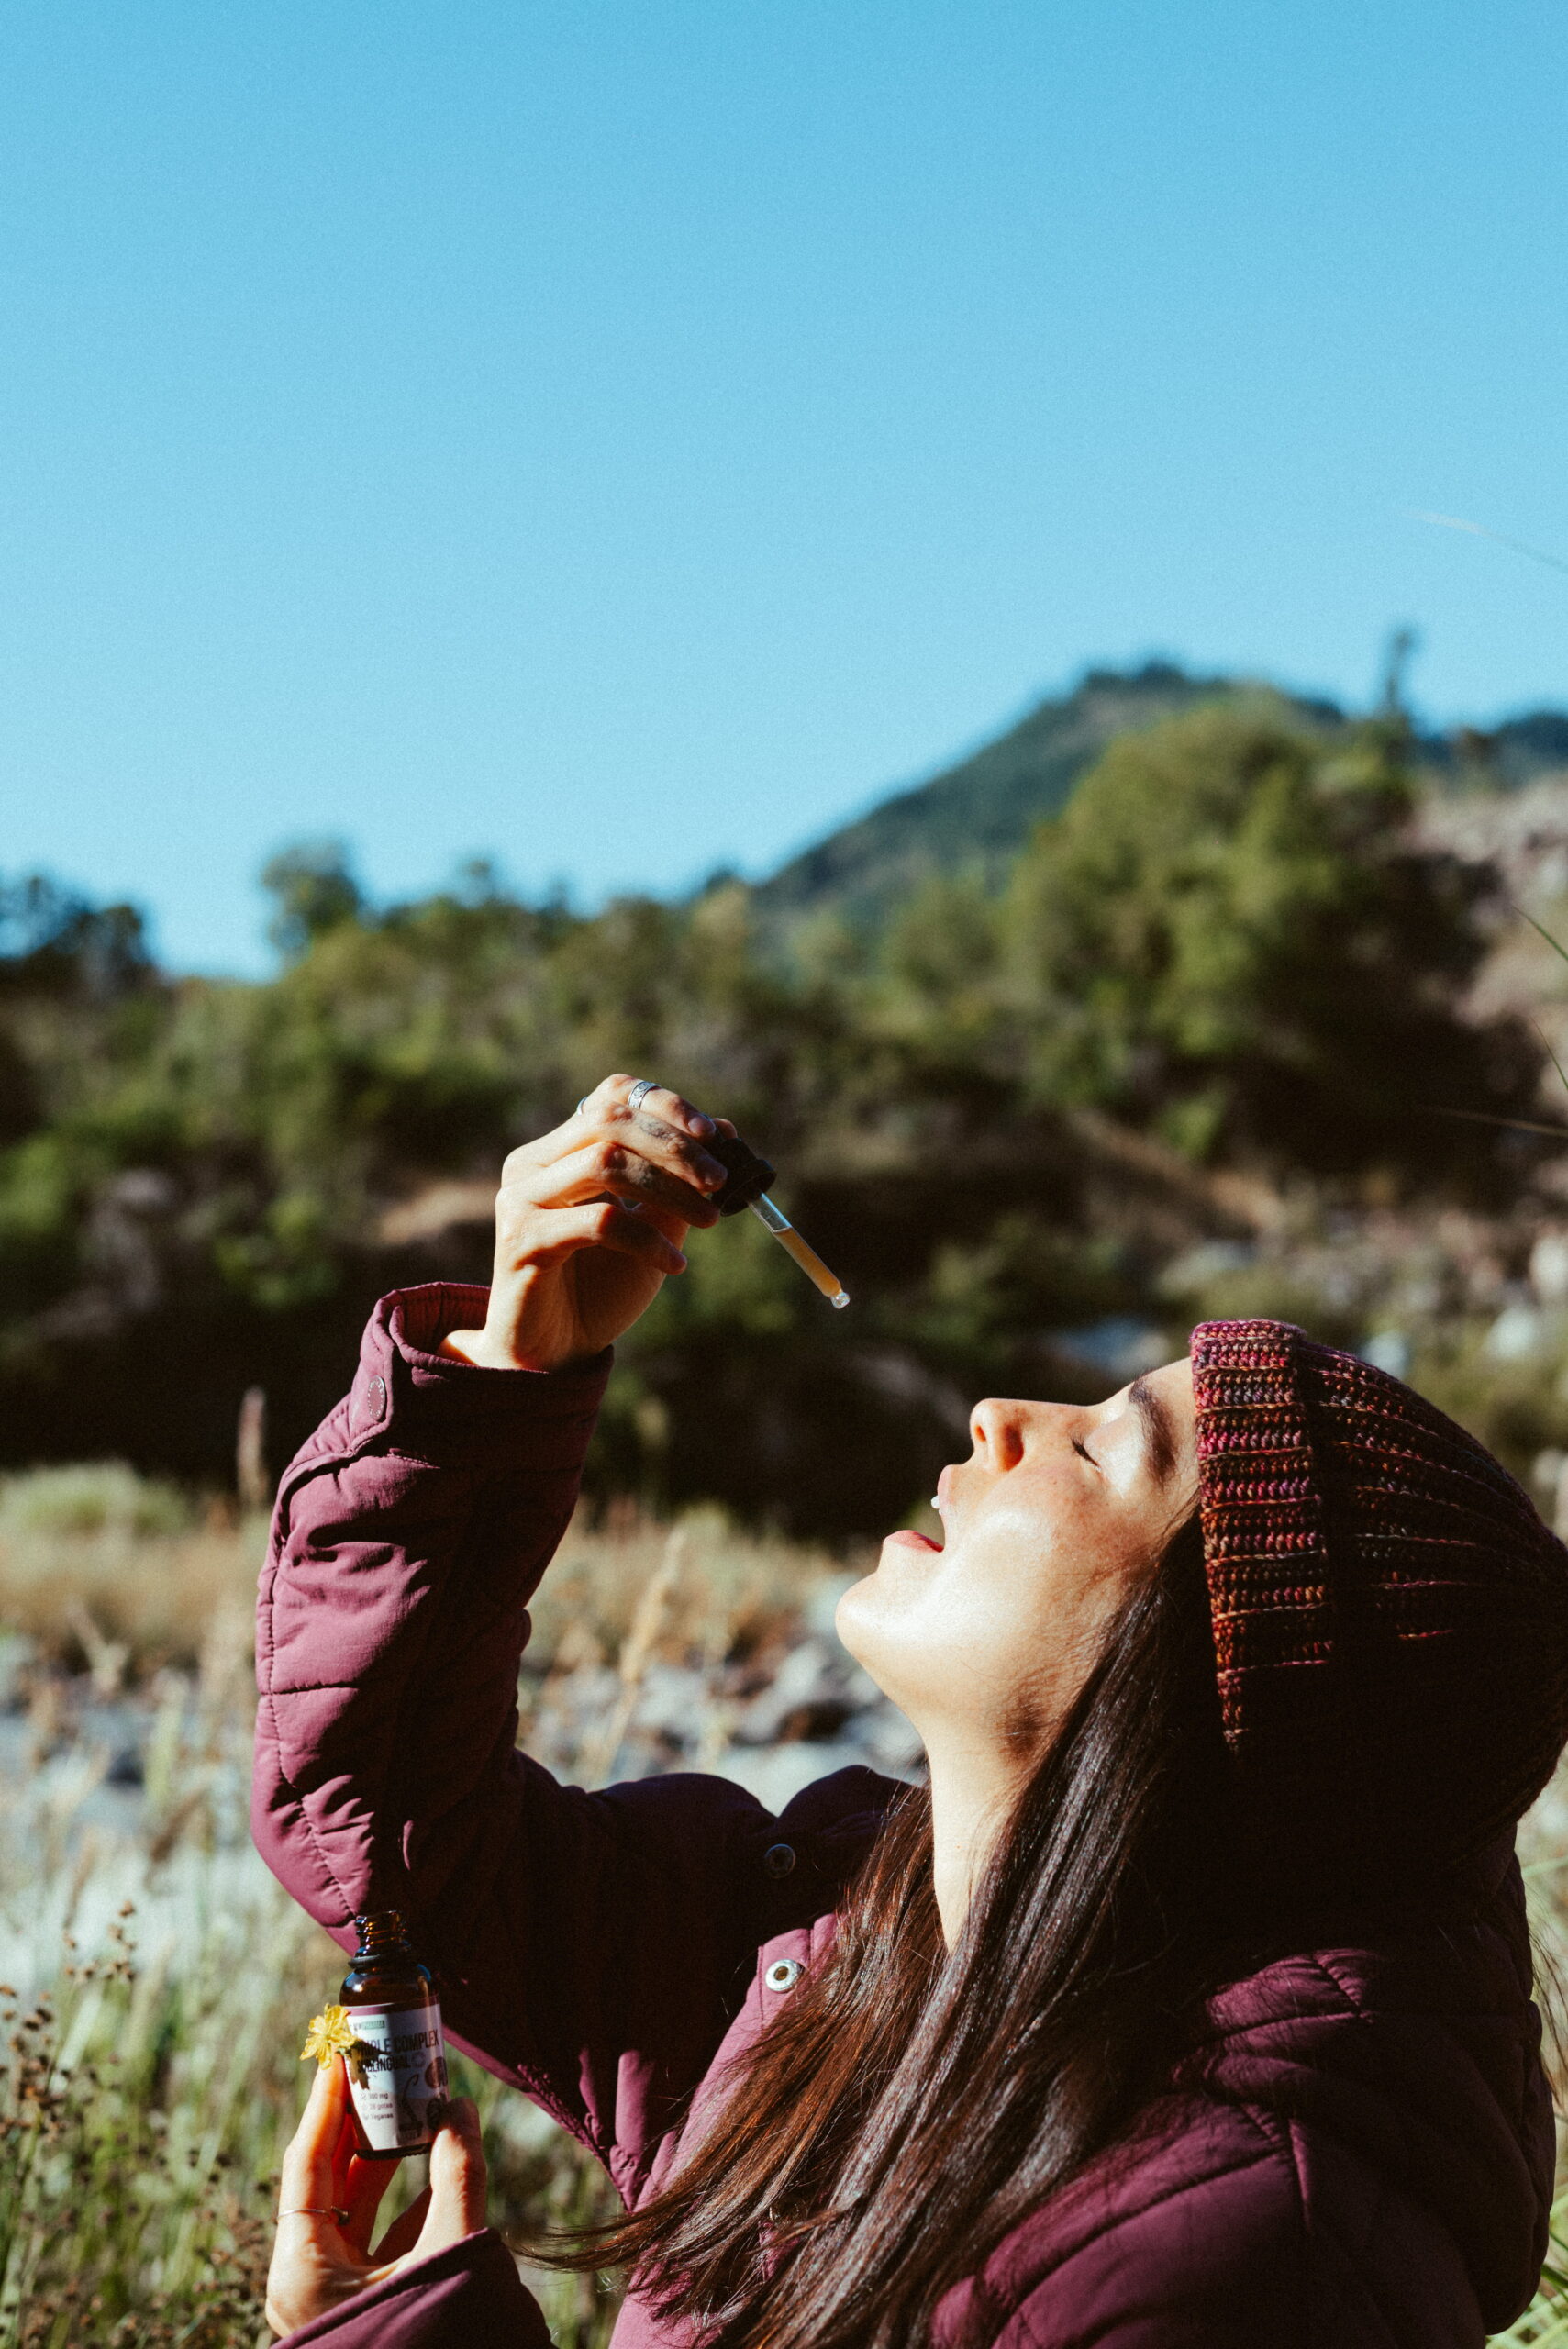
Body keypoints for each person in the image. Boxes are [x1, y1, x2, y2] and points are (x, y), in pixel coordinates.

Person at [255, 1074, 1568, 2346]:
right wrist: (500, 1370)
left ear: (1212, 1685)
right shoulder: (832, 1953)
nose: (1001, 1417)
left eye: (1108, 1448)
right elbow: (391, 1839)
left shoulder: (1224, 2270)